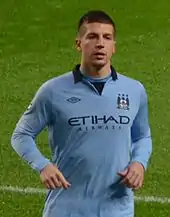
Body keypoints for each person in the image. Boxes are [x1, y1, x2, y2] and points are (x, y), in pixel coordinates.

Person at [11, 10, 152, 217]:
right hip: (66, 209)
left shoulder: (134, 90)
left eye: (107, 37)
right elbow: (21, 135)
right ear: (79, 44)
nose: (100, 44)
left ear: (114, 47)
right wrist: (42, 166)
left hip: (117, 209)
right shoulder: (52, 91)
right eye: (92, 37)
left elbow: (142, 136)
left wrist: (139, 163)